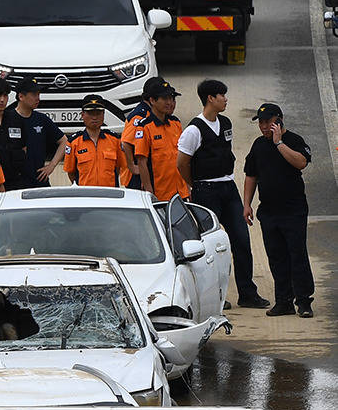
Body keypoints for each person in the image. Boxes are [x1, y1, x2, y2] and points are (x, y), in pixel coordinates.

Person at [177, 79, 269, 309]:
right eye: (222, 95)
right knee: (211, 246)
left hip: (228, 188)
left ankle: (247, 293)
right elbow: (182, 163)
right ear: (210, 98)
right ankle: (215, 295)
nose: (226, 99)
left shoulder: (226, 122)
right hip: (206, 191)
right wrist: (195, 185)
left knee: (241, 240)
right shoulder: (193, 130)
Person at [243, 103, 314, 318]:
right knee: (276, 256)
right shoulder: (258, 145)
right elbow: (251, 175)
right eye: (262, 123)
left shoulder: (294, 141)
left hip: (293, 211)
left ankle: (303, 301)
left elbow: (301, 162)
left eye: (269, 122)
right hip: (269, 212)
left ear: (279, 120)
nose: (264, 127)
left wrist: (279, 143)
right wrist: (247, 203)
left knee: (297, 254)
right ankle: (283, 301)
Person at [134, 78, 189, 201]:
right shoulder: (144, 127)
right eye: (165, 99)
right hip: (160, 195)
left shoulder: (176, 123)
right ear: (152, 100)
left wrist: (188, 186)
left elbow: (183, 156)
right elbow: (142, 162)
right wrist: (149, 192)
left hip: (181, 192)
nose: (170, 102)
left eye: (172, 98)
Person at [13, 77, 66, 187]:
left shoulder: (41, 119)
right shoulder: (8, 118)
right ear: (21, 96)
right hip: (15, 182)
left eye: (39, 94)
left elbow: (64, 141)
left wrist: (51, 165)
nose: (38, 98)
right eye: (34, 95)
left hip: (39, 179)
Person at [64, 94, 124, 187]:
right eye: (90, 113)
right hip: (86, 195)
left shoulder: (114, 140)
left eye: (98, 113)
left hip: (110, 194)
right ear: (82, 115)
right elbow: (71, 173)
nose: (94, 117)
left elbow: (118, 167)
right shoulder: (73, 142)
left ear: (103, 114)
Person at [119, 77, 158, 189]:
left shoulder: (151, 112)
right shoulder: (140, 115)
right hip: (135, 177)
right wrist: (132, 166)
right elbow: (125, 142)